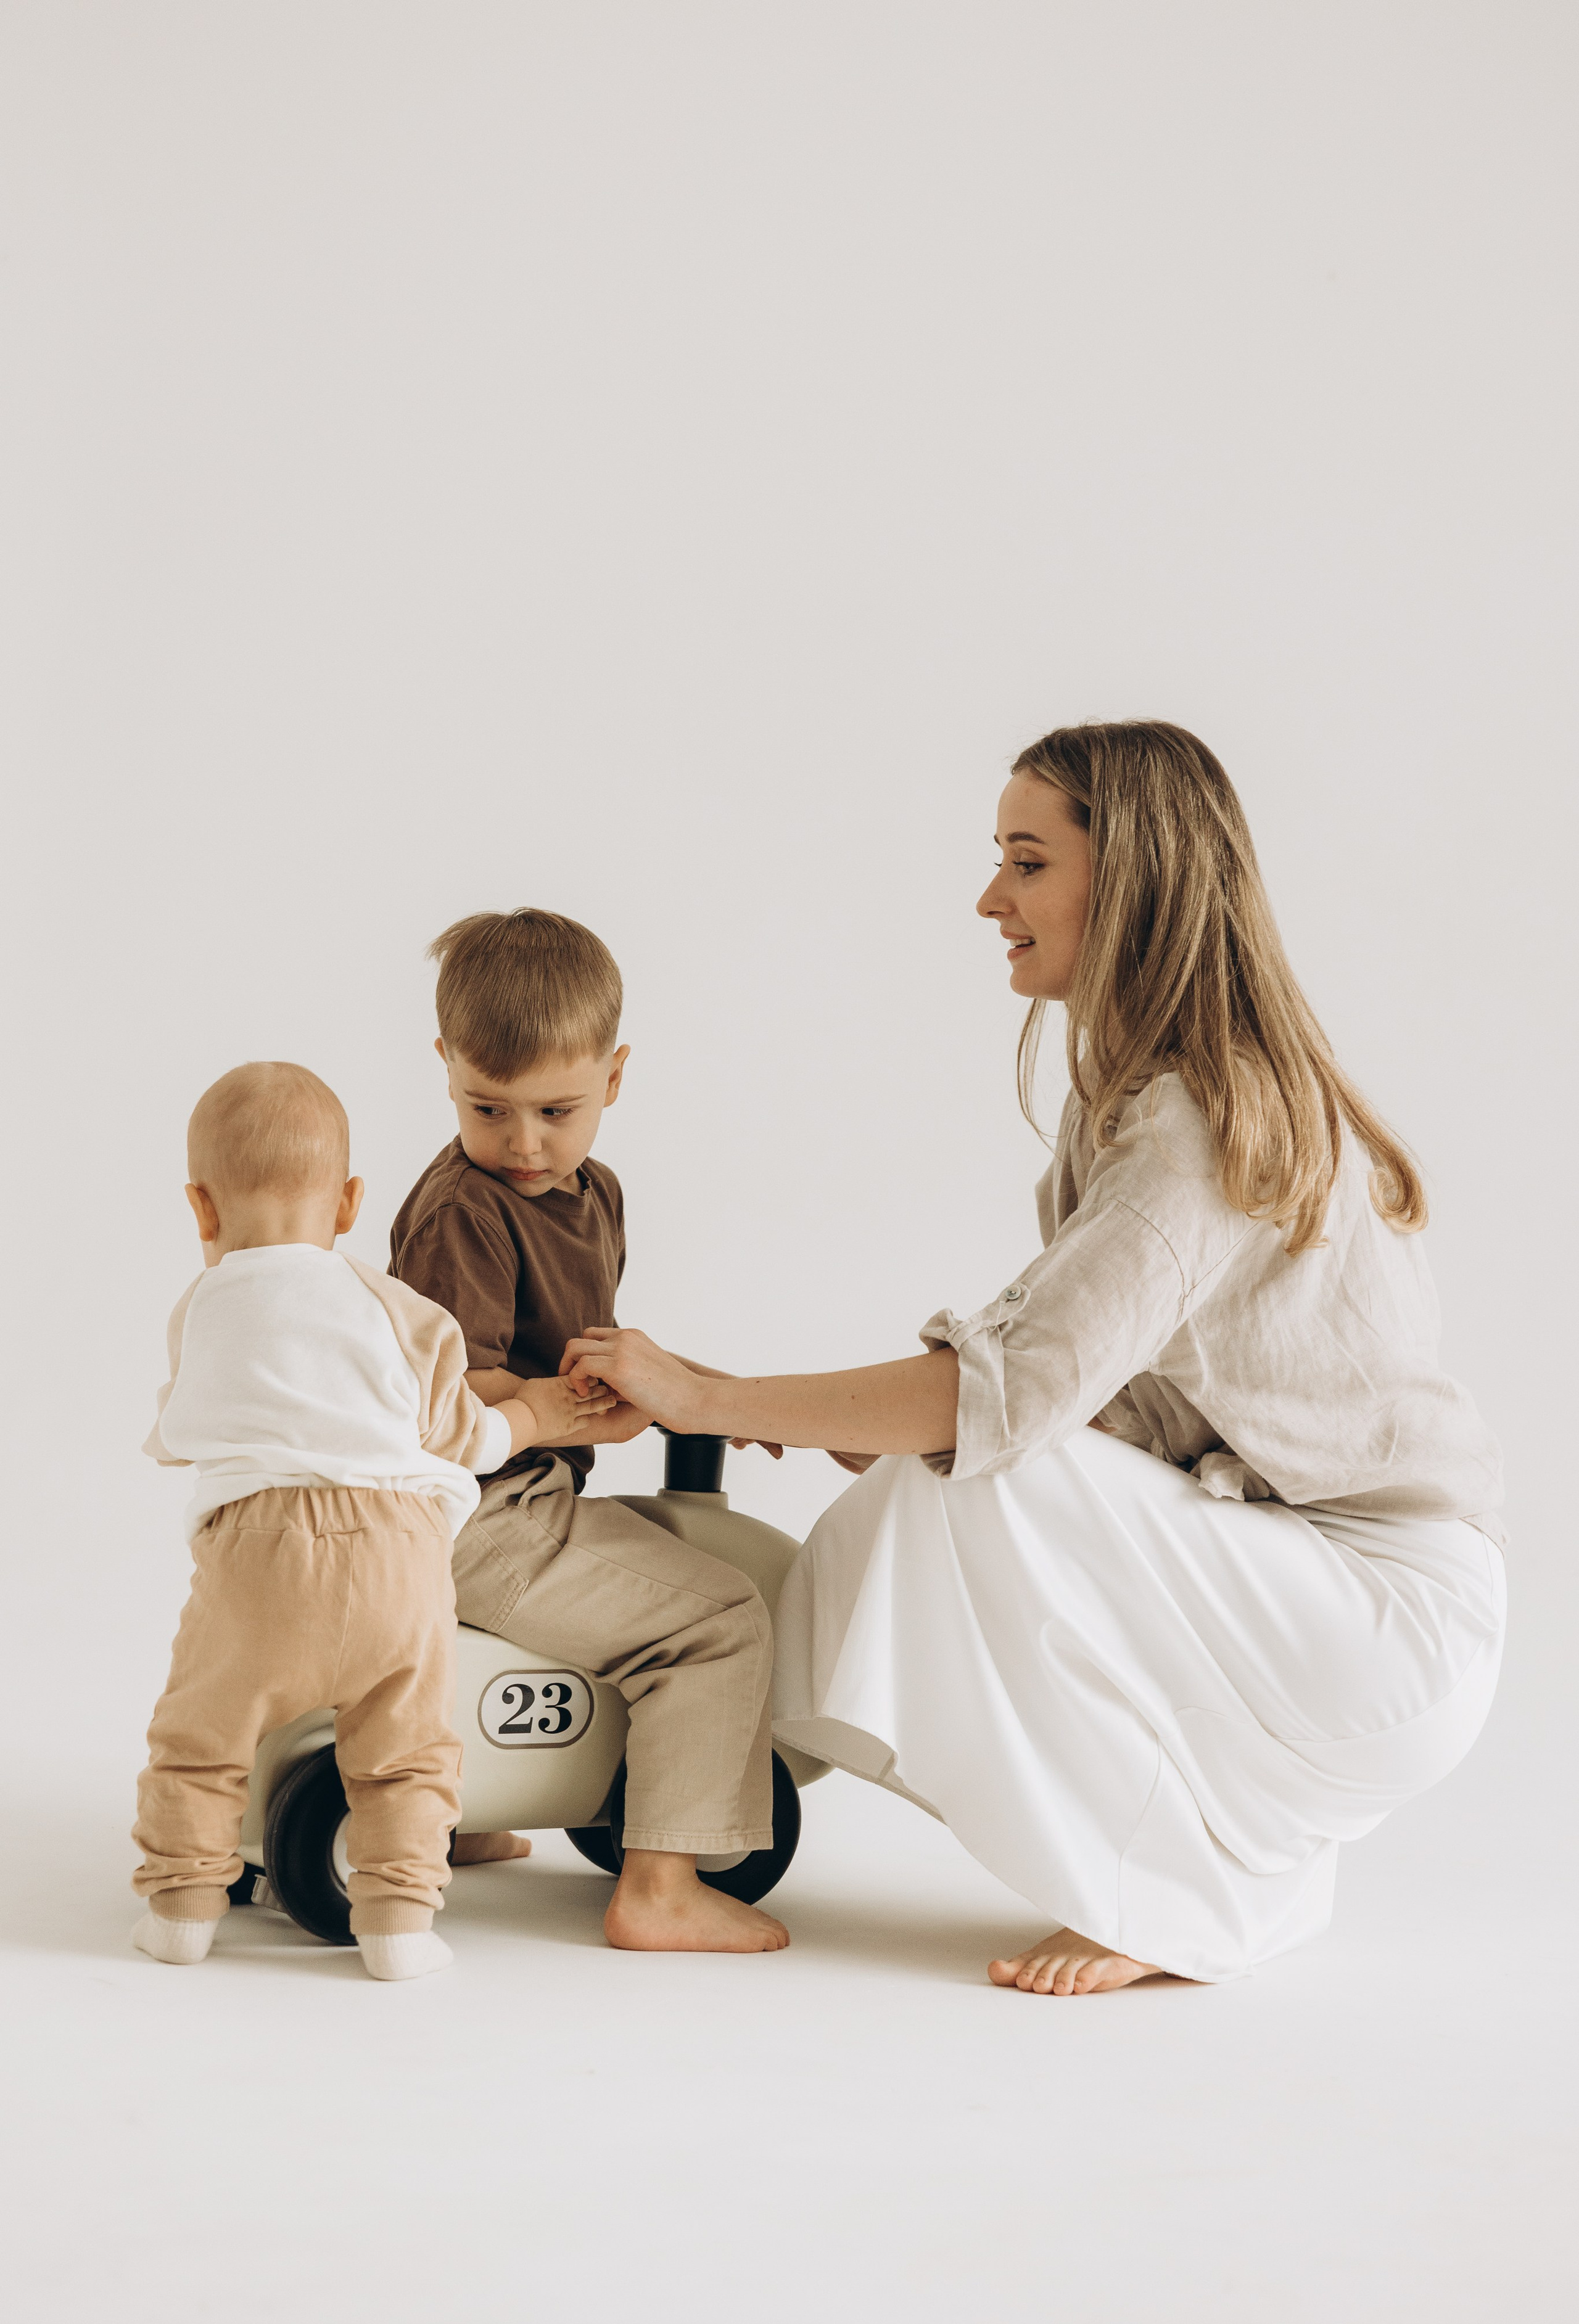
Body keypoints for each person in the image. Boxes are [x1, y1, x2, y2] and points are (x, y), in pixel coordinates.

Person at [561, 721, 1507, 1994]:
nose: (988, 898)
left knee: (968, 1482)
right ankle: (1218, 1877)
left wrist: (712, 1398)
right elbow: (1064, 1389)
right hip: (1327, 1604)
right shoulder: (1147, 1098)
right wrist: (909, 1419)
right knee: (944, 1479)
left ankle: (1166, 1899)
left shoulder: (1196, 1123)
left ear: (1129, 883)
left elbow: (997, 1398)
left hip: (1376, 1623)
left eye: (1024, 862)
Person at [133, 1062, 596, 1981]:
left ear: (201, 1209)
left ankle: (180, 1913)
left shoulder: (201, 1310)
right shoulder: (398, 1309)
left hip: (254, 1563)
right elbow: (466, 1433)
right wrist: (546, 1414)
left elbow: (180, 1434)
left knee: (200, 1742)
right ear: (349, 1204)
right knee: (408, 1751)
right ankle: (395, 1929)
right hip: (399, 1556)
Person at [388, 908, 788, 1955]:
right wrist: (581, 1413)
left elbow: (600, 1353)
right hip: (474, 1511)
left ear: (615, 1077)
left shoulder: (594, 1193)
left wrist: (721, 1398)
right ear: (444, 1069)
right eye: (489, 1107)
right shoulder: (464, 1211)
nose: (523, 1143)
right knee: (719, 1619)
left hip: (525, 1498)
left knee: (659, 1561)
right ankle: (658, 1889)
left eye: (555, 1109)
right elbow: (447, 1398)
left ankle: (473, 1812)